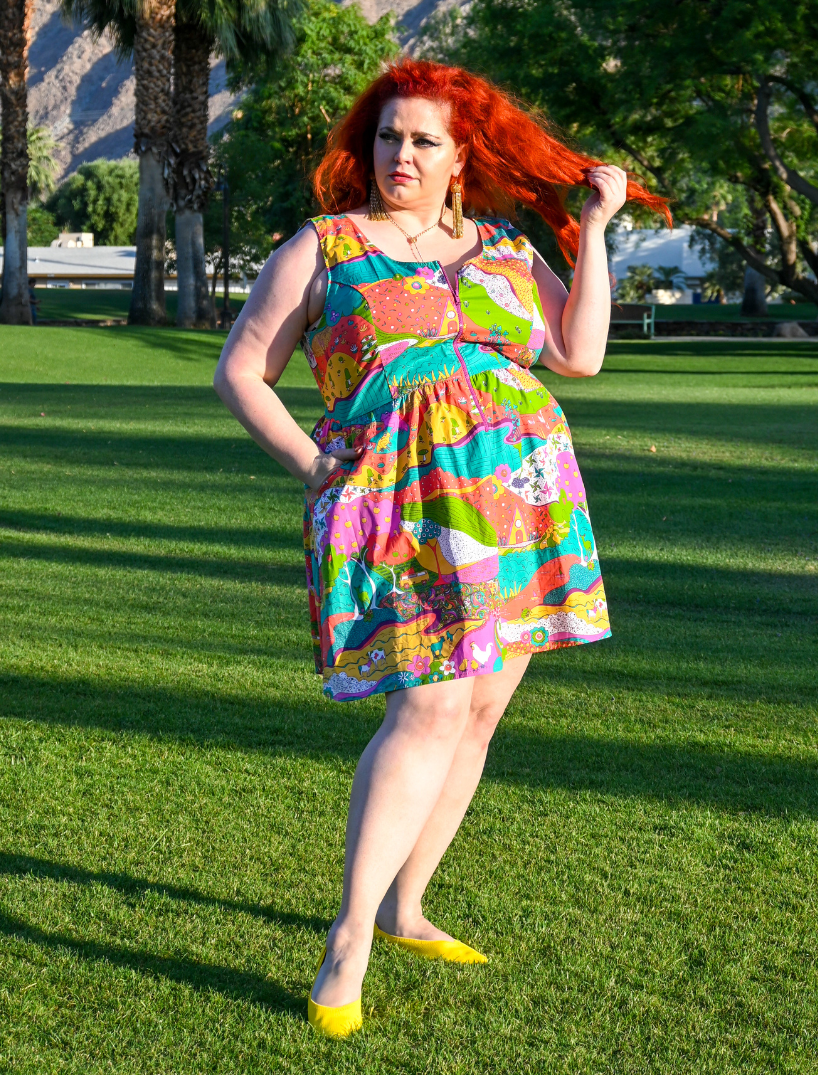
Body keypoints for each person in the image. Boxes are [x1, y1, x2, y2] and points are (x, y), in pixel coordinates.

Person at [213, 59, 670, 1038]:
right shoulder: (326, 247)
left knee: (479, 713)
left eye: (422, 140)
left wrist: (591, 232)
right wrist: (314, 466)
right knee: (425, 707)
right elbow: (243, 370)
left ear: (462, 155)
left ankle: (406, 907)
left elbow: (580, 354)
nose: (401, 155)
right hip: (397, 503)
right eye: (387, 137)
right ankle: (350, 938)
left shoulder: (504, 248)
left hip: (518, 499)